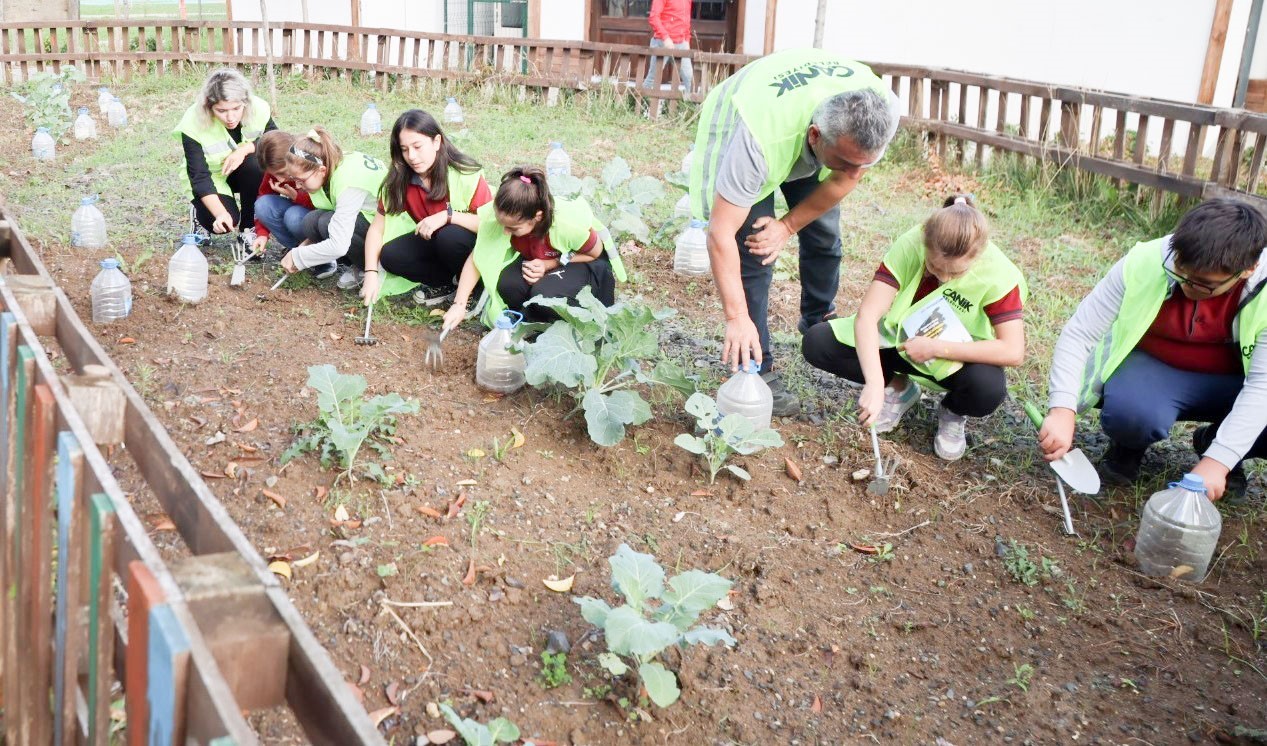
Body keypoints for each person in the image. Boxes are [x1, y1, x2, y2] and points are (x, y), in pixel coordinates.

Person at [689, 48, 902, 415]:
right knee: (753, 250)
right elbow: (720, 234)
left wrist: (787, 226)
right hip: (754, 121)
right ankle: (757, 366)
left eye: (863, 165)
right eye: (849, 163)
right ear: (816, 136)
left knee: (824, 236)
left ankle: (817, 319)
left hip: (811, 137)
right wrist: (735, 317)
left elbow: (844, 179)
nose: (856, 175)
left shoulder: (881, 112)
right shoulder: (758, 139)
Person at [1038, 199, 1267, 501]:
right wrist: (1062, 410)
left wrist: (1218, 461)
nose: (1186, 285)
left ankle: (1218, 444)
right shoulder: (1146, 260)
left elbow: (1262, 386)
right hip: (1155, 371)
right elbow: (1080, 333)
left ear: (1247, 270)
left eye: (1203, 284)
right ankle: (1129, 445)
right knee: (1131, 413)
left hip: (1233, 384)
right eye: (1179, 270)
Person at [803, 195, 1026, 460]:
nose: (942, 277)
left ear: (977, 256)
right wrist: (874, 384)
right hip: (900, 343)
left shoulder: (999, 274)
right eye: (933, 266)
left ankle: (953, 412)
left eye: (954, 274)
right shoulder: (913, 241)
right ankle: (898, 388)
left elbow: (1013, 351)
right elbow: (867, 316)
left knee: (988, 388)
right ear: (925, 240)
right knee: (818, 342)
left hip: (953, 361)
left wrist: (937, 347)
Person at [440, 166, 626, 332]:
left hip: (583, 262)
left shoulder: (565, 226)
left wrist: (551, 263)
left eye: (513, 229)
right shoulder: (506, 216)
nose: (505, 232)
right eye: (502, 224)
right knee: (507, 285)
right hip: (542, 260)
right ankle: (535, 322)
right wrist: (459, 304)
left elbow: (595, 252)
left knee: (543, 296)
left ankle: (573, 325)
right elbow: (478, 257)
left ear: (537, 217)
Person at [360, 109, 492, 308]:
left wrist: (447, 216)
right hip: (433, 241)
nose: (412, 156)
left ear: (436, 142)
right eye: (404, 149)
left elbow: (490, 226)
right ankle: (446, 284)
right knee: (391, 256)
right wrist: (371, 273)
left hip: (470, 246)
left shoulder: (464, 174)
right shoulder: (399, 179)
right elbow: (377, 229)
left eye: (417, 146)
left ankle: (476, 288)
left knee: (450, 236)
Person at [172, 68, 277, 239]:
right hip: (211, 176)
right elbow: (199, 176)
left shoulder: (258, 107)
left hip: (242, 171)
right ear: (209, 106)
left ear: (245, 102)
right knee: (226, 222)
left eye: (236, 108)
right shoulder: (192, 121)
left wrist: (245, 150)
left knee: (255, 163)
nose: (230, 117)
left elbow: (274, 141)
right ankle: (200, 214)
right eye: (221, 111)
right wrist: (220, 213)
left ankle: (248, 229)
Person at [279, 127, 386, 290]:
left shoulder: (349, 182)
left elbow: (339, 245)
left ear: (321, 170)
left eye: (301, 180)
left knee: (325, 222)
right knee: (311, 221)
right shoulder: (332, 162)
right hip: (368, 219)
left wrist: (298, 256)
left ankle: (370, 268)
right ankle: (359, 262)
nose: (298, 185)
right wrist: (304, 247)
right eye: (294, 179)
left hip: (389, 232)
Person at [250, 130, 334, 277]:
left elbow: (327, 206)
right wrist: (262, 234)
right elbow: (264, 195)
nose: (280, 179)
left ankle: (322, 258)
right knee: (263, 205)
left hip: (320, 219)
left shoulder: (311, 167)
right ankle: (296, 253)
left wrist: (296, 196)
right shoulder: (277, 170)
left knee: (293, 215)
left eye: (283, 173)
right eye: (274, 174)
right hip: (303, 214)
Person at [642, 0, 693, 93]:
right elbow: (654, 17)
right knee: (653, 77)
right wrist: (665, 38)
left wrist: (687, 40)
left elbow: (686, 19)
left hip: (681, 43)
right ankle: (640, 105)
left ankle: (691, 107)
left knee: (689, 78)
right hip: (662, 43)